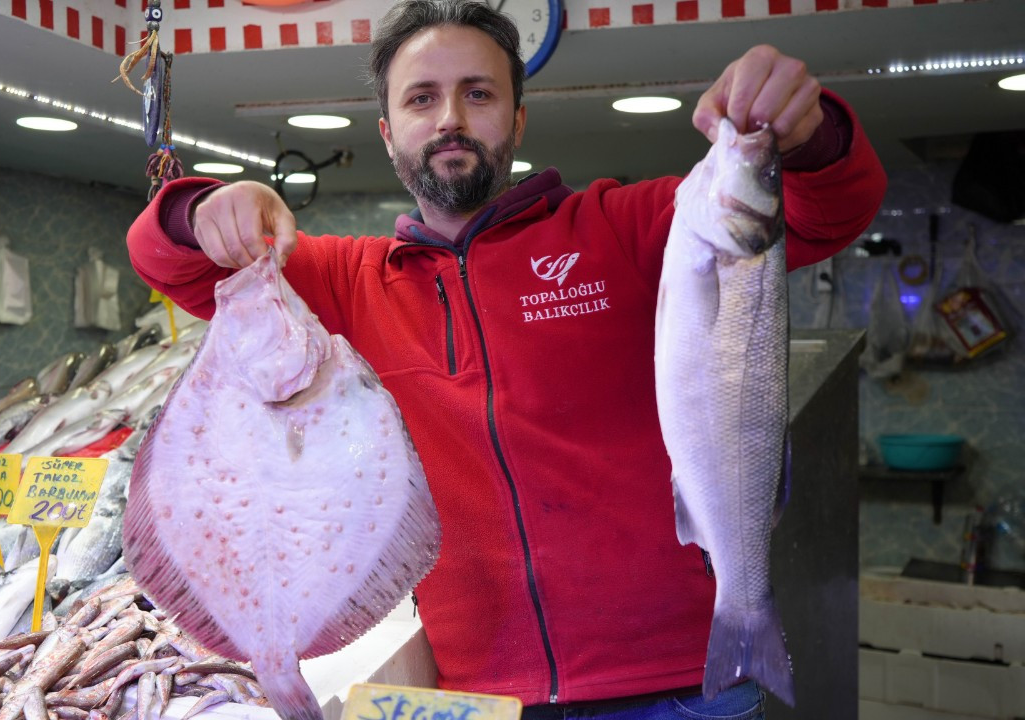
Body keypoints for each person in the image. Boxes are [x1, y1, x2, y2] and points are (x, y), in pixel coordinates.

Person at [127, 1, 886, 717]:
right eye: (421, 99)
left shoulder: (624, 226)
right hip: (483, 694)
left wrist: (809, 136)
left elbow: (828, 213)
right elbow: (171, 266)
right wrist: (201, 213)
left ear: (517, 119)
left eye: (478, 93)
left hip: (682, 684)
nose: (450, 119)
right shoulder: (345, 280)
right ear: (388, 132)